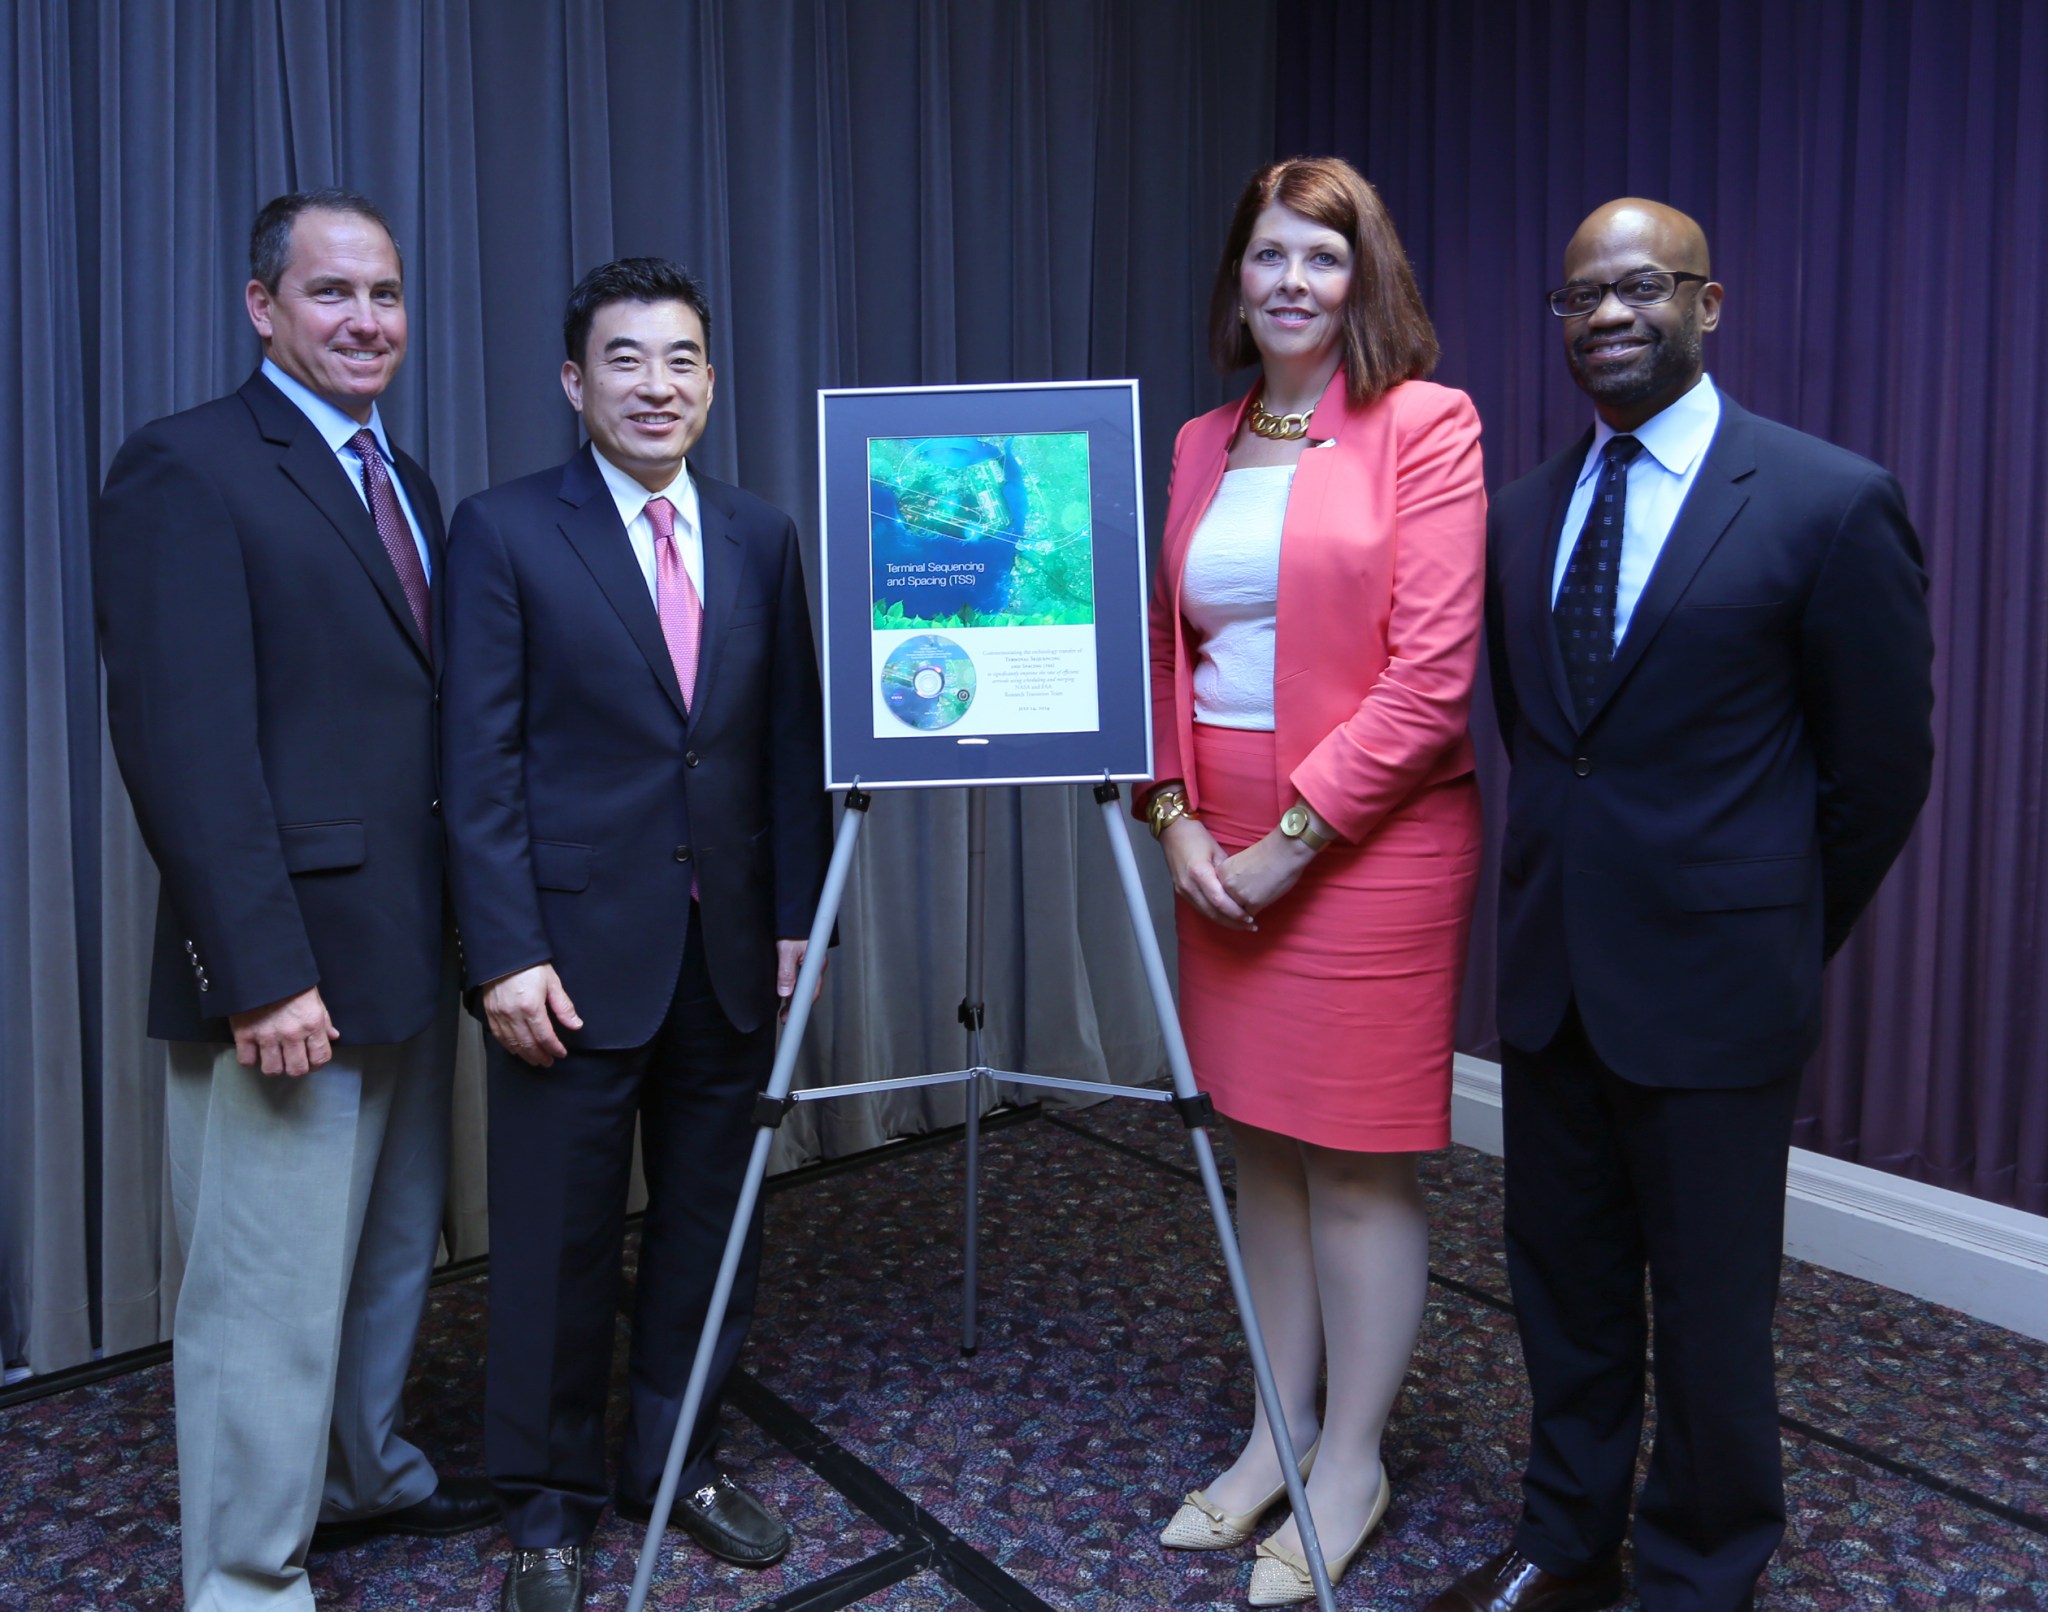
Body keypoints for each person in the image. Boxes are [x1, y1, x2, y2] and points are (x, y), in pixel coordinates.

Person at [1424, 200, 1935, 1612]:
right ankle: (1564, 1539)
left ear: (1710, 305)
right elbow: (1547, 738)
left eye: (1642, 288)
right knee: (1564, 1288)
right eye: (1581, 298)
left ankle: (1704, 1571)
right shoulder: (1525, 514)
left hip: (1718, 990)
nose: (1608, 317)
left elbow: (1881, 769)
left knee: (1712, 1315)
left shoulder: (1828, 501)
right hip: (1555, 976)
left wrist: (1770, 925)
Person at [94, 189, 495, 1611]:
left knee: (389, 1257)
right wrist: (258, 969)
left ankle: (360, 1472)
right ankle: (246, 1580)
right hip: (286, 973)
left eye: (385, 294)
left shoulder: (412, 480)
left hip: (404, 949)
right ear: (261, 307)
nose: (367, 321)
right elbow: (184, 744)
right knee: (259, 1300)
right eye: (332, 295)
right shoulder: (186, 469)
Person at [440, 257, 832, 1612]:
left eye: (680, 360)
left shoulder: (762, 535)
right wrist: (500, 952)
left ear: (711, 383)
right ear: (574, 382)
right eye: (625, 358)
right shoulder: (502, 533)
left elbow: (788, 744)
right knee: (555, 1242)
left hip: (726, 956)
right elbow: (476, 762)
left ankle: (679, 1460)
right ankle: (544, 1507)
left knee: (711, 1234)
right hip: (562, 963)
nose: (655, 384)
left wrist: (793, 917)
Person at [1141, 156, 1487, 1607]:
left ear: (1365, 280)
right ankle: (1278, 1431)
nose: (1292, 282)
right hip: (1213, 841)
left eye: (1323, 260)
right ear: (1238, 278)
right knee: (1261, 1150)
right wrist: (1173, 820)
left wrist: (1290, 843)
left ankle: (1353, 1457)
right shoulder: (1200, 439)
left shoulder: (1425, 425)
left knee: (1353, 1160)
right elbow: (1162, 653)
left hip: (1365, 844)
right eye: (1269, 256)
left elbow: (1433, 678)